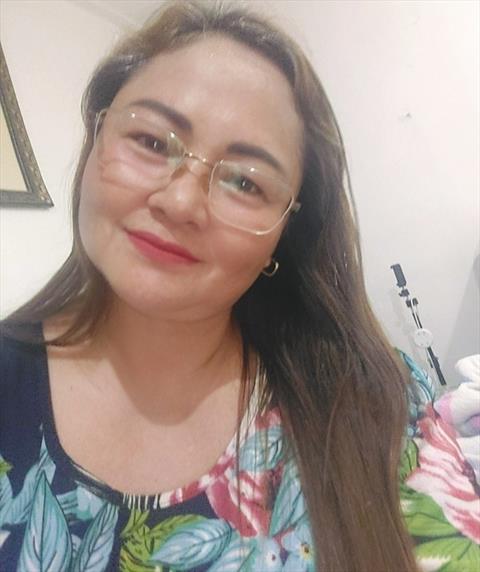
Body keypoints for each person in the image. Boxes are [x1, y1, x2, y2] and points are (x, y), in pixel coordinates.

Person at [1, 1, 478, 571]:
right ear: (96, 137)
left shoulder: (374, 404)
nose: (180, 201)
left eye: (246, 183)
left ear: (285, 233)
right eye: (151, 141)